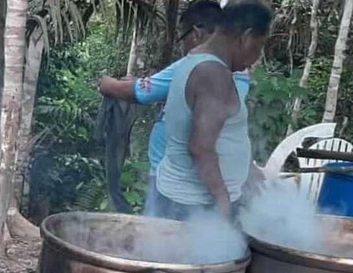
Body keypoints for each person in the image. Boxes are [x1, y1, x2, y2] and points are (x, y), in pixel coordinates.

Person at [99, 0, 252, 216]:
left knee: (160, 241)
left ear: (197, 33)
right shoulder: (238, 74)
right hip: (214, 179)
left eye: (183, 37)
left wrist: (107, 84)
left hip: (176, 183)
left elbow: (140, 92)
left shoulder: (195, 66)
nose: (184, 46)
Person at [153, 0, 272, 221]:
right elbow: (201, 147)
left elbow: (221, 133)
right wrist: (222, 199)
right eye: (260, 44)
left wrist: (246, 170)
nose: (258, 55)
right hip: (196, 208)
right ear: (245, 37)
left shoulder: (197, 58)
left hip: (184, 202)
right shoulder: (213, 74)